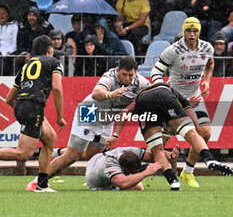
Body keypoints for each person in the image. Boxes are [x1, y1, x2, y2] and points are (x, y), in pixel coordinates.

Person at [26, 56, 149, 191]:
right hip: (89, 111)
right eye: (124, 74)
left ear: (136, 72)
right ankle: (38, 181)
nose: (127, 79)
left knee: (93, 154)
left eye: (130, 75)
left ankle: (59, 151)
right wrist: (111, 94)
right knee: (73, 155)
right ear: (118, 71)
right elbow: (96, 94)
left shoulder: (141, 83)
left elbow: (149, 96)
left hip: (107, 118)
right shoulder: (109, 77)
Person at [0, 35, 66, 193]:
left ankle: (42, 184)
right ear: (50, 50)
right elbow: (57, 88)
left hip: (20, 105)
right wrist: (60, 117)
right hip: (33, 106)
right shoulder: (54, 62)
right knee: (24, 153)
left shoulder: (26, 65)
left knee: (50, 138)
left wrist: (23, 109)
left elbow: (9, 98)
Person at [107, 83, 233, 191]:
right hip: (164, 93)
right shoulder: (176, 95)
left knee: (157, 149)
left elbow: (125, 112)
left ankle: (173, 181)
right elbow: (194, 126)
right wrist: (191, 129)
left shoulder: (139, 97)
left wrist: (115, 135)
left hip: (143, 101)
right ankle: (209, 159)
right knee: (191, 133)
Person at [150, 17, 215, 188]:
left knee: (205, 133)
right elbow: (155, 72)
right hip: (173, 99)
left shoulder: (207, 48)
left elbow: (210, 63)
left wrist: (206, 81)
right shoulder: (173, 50)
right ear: (184, 32)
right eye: (189, 31)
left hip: (194, 97)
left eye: (195, 31)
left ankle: (188, 171)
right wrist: (165, 91)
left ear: (199, 32)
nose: (192, 34)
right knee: (159, 142)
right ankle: (149, 173)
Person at [86, 146, 179, 190]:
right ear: (124, 169)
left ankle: (138, 171)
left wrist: (170, 155)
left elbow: (152, 155)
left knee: (137, 185)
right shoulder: (110, 165)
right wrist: (145, 173)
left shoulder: (129, 151)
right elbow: (123, 183)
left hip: (96, 159)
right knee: (137, 187)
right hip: (94, 180)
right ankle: (140, 171)